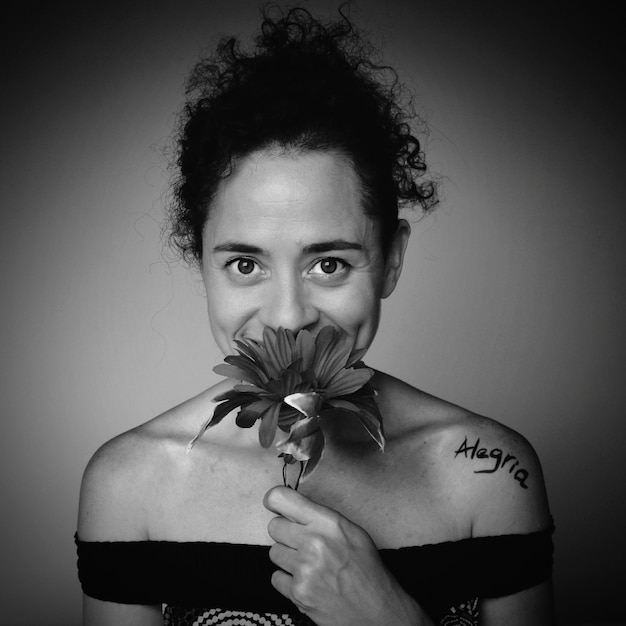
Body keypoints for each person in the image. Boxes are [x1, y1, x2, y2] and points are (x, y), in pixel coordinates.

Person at [76, 6, 554, 626]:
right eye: (245, 264)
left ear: (390, 261)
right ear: (201, 264)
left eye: (328, 264)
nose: (288, 316)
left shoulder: (490, 476)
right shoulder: (128, 485)